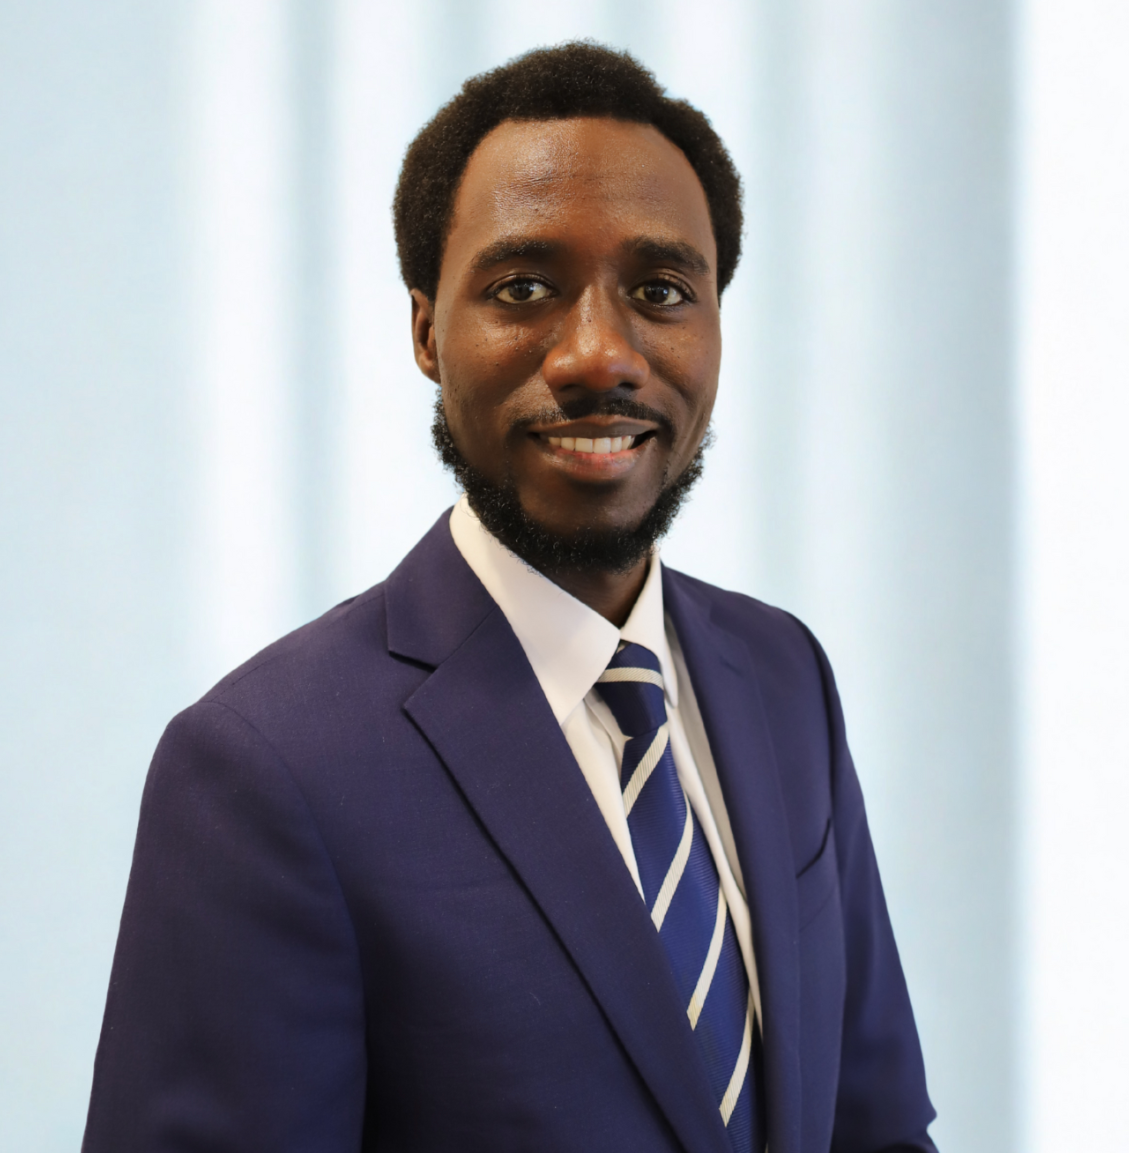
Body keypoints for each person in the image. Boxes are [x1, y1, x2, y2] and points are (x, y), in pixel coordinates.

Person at [82, 42, 937, 1153]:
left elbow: (872, 1128)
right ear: (427, 331)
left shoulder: (782, 679)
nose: (598, 353)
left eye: (661, 290)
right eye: (524, 288)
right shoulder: (263, 769)